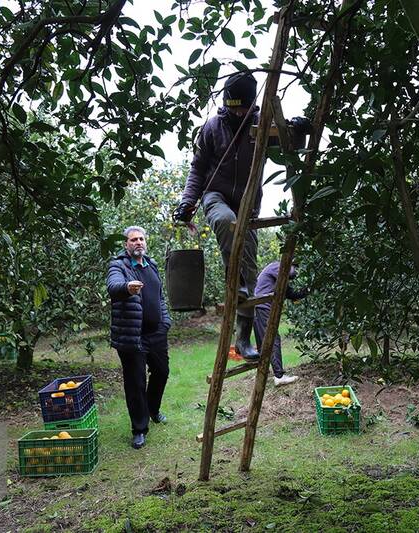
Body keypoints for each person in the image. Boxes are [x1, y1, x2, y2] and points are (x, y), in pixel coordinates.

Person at [172, 70, 311, 360]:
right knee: (224, 221)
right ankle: (236, 288)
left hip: (248, 205)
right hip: (216, 195)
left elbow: (290, 145)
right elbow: (198, 170)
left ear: (252, 103)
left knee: (248, 272)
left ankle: (243, 340)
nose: (236, 110)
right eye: (232, 104)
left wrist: (299, 128)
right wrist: (187, 202)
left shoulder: (261, 125)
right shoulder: (212, 128)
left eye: (242, 106)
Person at [106, 226, 172, 449]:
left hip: (156, 333)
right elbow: (113, 287)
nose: (138, 242)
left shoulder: (151, 264)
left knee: (162, 372)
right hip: (132, 337)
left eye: (141, 239)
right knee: (135, 383)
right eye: (133, 239)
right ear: (126, 244)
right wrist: (127, 288)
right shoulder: (119, 266)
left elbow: (159, 296)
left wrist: (165, 321)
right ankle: (139, 428)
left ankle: (152, 409)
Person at [253, 261, 308, 386]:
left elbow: (292, 294)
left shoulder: (280, 279)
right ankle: (279, 376)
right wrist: (293, 268)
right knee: (272, 339)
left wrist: (308, 290)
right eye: (295, 266)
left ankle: (263, 373)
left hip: (259, 306)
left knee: (264, 342)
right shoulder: (278, 265)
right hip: (262, 306)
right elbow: (292, 273)